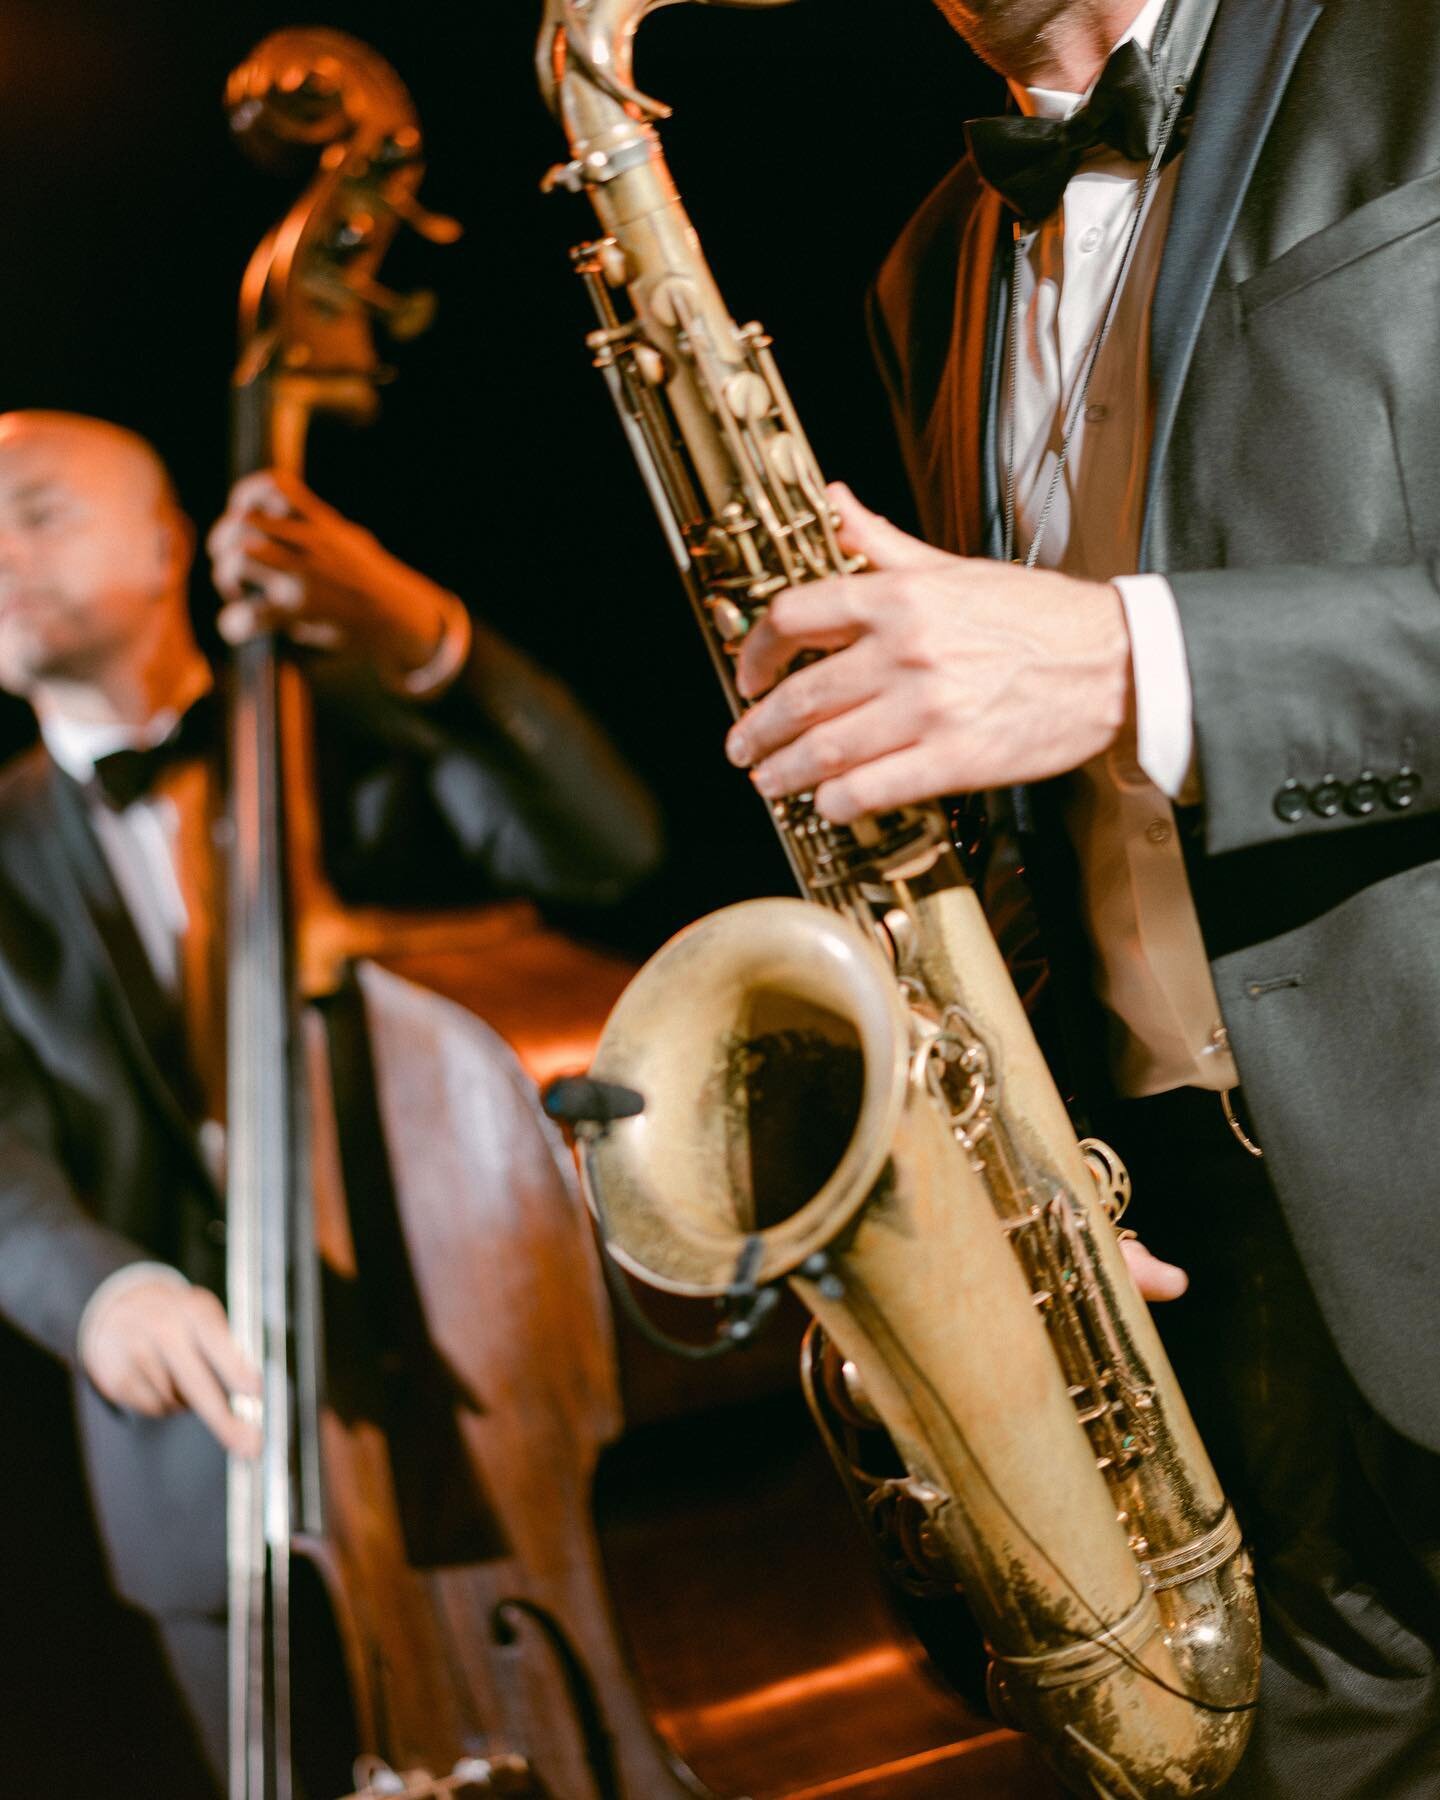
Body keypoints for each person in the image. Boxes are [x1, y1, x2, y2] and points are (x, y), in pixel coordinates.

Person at [720, 1, 1440, 1793]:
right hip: (1210, 1252)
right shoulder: (929, 269)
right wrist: (1015, 1170)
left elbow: (1100, 680)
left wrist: (1138, 661)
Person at [0, 409, 661, 1793]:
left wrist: (425, 645)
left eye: (38, 507)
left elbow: (604, 848)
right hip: (201, 1485)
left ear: (172, 536)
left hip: (480, 1422)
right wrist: (102, 1292)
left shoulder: (348, 729)